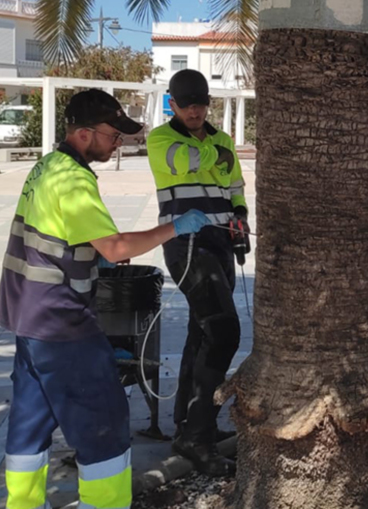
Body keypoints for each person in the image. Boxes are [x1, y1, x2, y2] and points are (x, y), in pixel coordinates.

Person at [0, 89, 210, 509]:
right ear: (82, 134)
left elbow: (56, 236)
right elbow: (115, 246)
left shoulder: (47, 167)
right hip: (63, 325)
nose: (118, 144)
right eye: (113, 136)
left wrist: (94, 259)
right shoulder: (73, 178)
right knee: (104, 425)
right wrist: (175, 227)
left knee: (29, 425)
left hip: (28, 321)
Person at [146, 69, 248, 476]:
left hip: (221, 241)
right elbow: (185, 162)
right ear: (173, 104)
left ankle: (187, 426)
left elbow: (235, 183)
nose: (195, 111)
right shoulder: (161, 139)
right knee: (224, 332)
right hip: (186, 245)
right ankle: (199, 434)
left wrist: (240, 215)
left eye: (201, 104)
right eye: (187, 104)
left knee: (201, 332)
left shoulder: (222, 140)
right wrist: (217, 154)